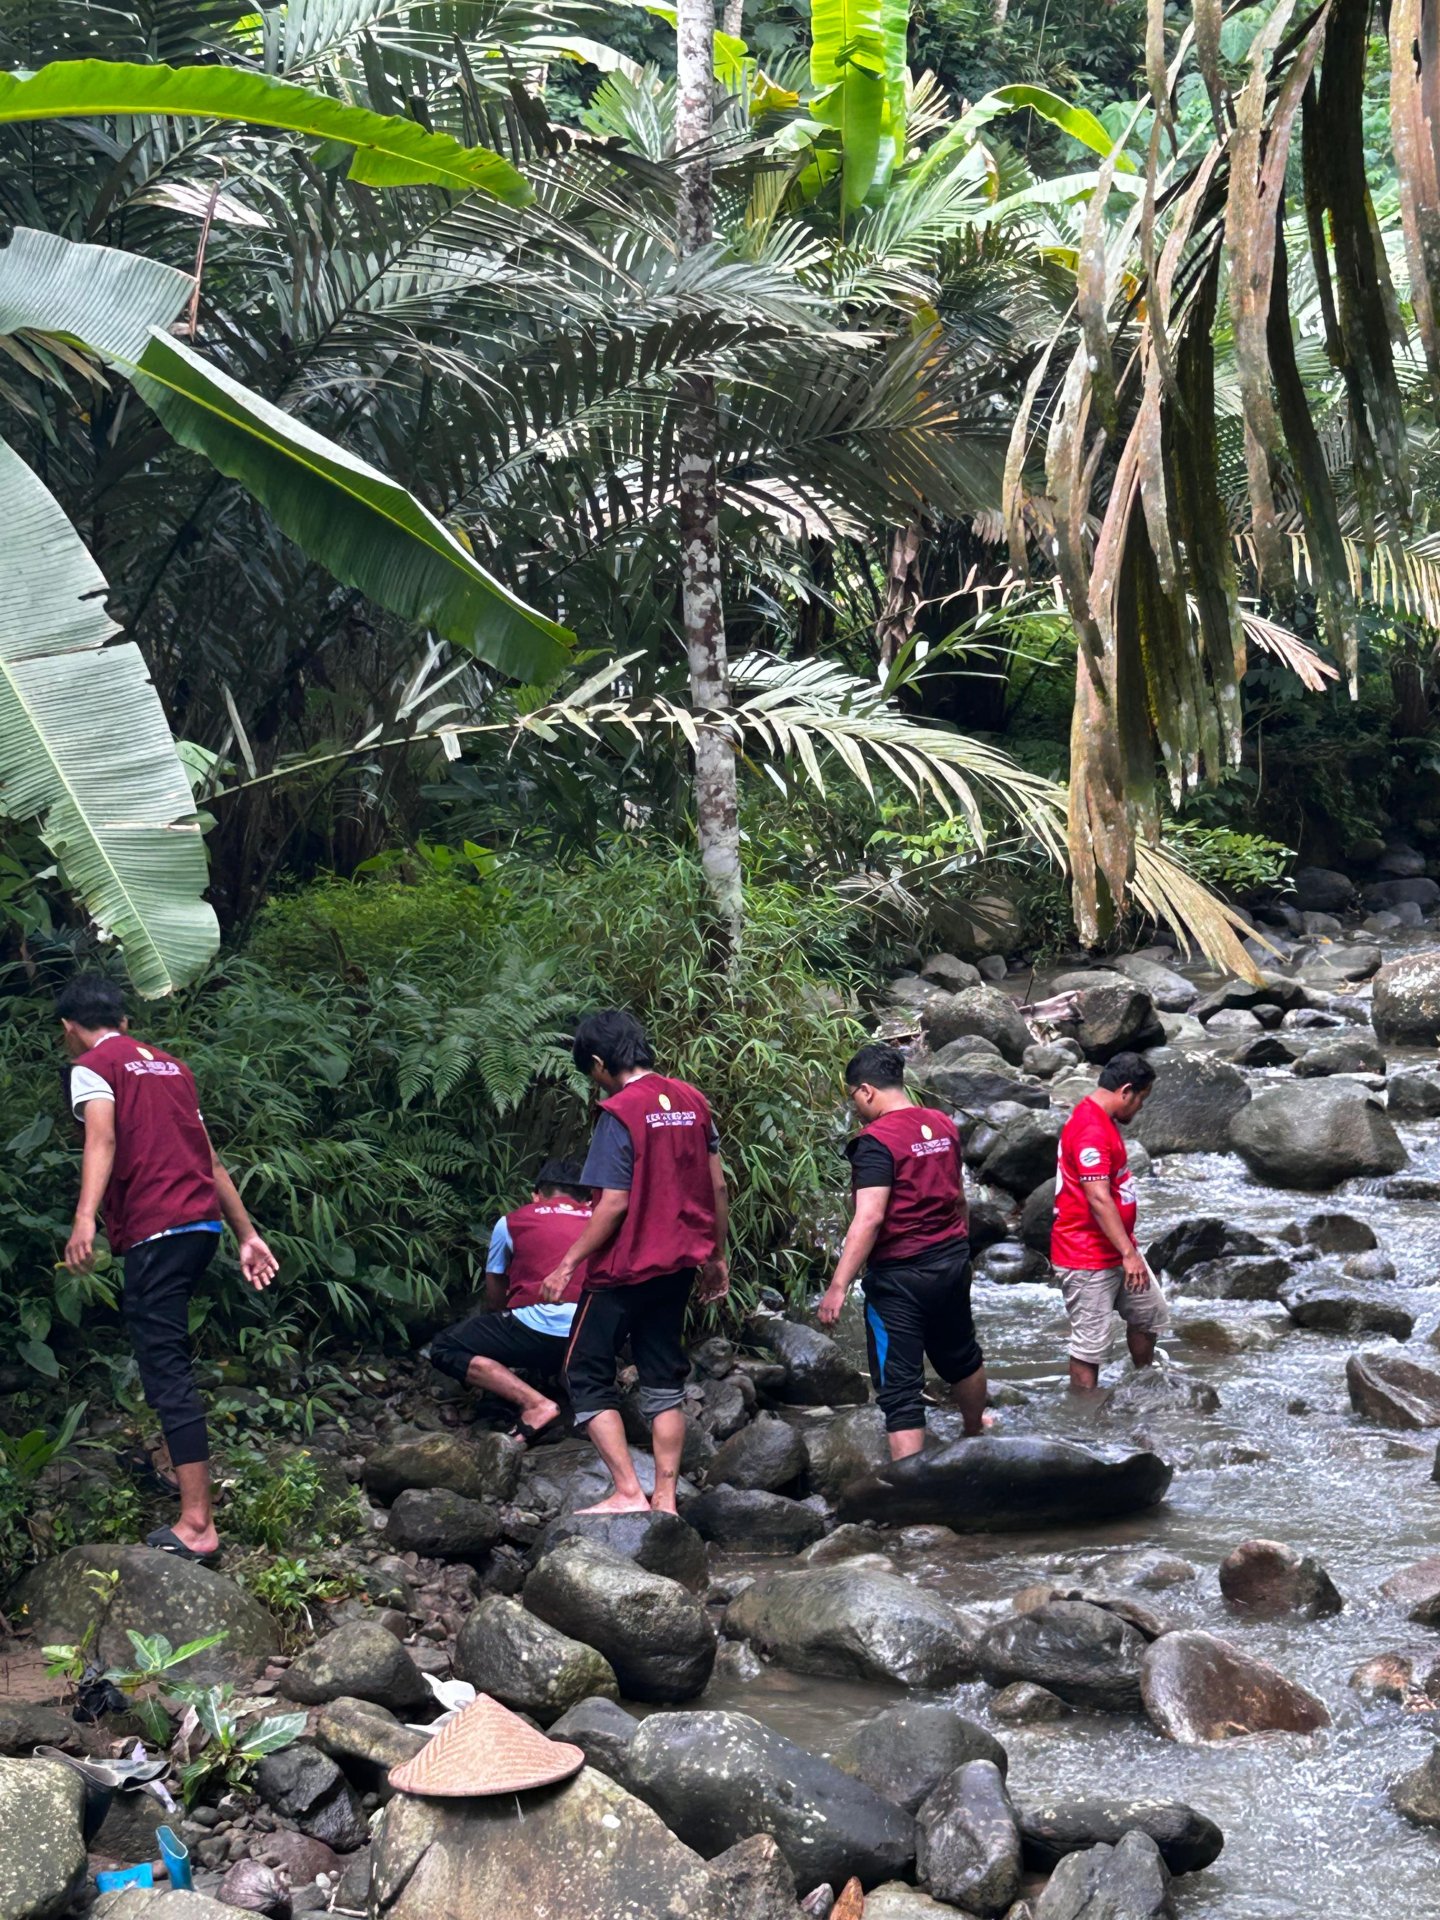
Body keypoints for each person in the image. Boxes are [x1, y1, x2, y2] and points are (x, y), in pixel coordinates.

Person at [57, 973, 279, 1560]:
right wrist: (247, 1234)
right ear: (127, 1022)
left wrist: (84, 1220)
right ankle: (186, 1490)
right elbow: (208, 1160)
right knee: (168, 1358)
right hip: (200, 1227)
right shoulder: (172, 1069)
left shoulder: (94, 1065)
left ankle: (198, 1526)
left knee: (165, 1368)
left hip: (158, 1230)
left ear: (69, 1029)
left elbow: (100, 1140)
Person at [539, 1010, 729, 1517]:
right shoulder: (693, 1101)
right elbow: (717, 1186)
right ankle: (664, 1499)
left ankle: (627, 1491)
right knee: (663, 1377)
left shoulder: (618, 1113)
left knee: (583, 1372)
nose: (594, 1082)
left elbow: (614, 1204)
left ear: (600, 1063)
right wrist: (716, 1254)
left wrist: (566, 1263)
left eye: (591, 1072)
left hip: (622, 1270)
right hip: (679, 1266)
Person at [818, 1042, 988, 1458]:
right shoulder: (942, 1124)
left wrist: (838, 1286)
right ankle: (975, 1437)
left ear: (866, 1091)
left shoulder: (875, 1141)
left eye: (855, 1097)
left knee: (900, 1386)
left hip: (900, 1278)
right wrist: (958, 1247)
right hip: (950, 1262)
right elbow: (959, 1197)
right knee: (962, 1355)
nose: (856, 1107)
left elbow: (869, 1218)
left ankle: (911, 1486)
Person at [429, 1159, 593, 1443]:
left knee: (445, 1347)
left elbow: (495, 1296)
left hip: (535, 1330)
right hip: (592, 1333)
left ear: (536, 1195)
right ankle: (572, 1385)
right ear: (589, 1198)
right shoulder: (602, 1222)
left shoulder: (512, 1221)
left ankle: (535, 1403)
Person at [1052, 1051, 1169, 1391]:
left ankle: (1142, 1384)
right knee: (1090, 1348)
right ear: (1126, 1091)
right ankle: (1084, 1421)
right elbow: (1098, 1196)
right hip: (1086, 1255)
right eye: (1142, 1099)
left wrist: (1127, 1251)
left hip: (1116, 1248)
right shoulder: (1090, 1128)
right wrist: (1129, 1254)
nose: (1141, 1108)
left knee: (1149, 1316)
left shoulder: (1103, 1120)